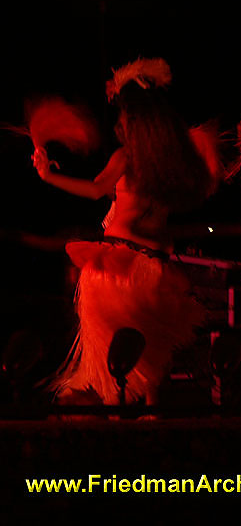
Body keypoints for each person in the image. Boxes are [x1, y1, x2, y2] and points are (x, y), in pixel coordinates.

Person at [33, 57, 217, 405]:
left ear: (133, 120)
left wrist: (48, 175)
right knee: (149, 366)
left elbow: (95, 189)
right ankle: (149, 423)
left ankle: (114, 426)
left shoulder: (126, 158)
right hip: (155, 272)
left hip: (116, 271)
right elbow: (204, 186)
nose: (119, 121)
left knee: (111, 364)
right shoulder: (174, 161)